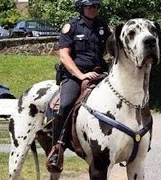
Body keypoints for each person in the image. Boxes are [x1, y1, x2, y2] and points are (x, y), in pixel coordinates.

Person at [46, 0, 112, 172]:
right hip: (75, 76)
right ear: (81, 8)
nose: (92, 9)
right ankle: (57, 149)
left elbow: (113, 49)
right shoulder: (71, 27)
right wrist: (81, 75)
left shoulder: (103, 27)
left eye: (95, 6)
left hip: (99, 74)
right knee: (66, 104)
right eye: (88, 6)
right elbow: (64, 56)